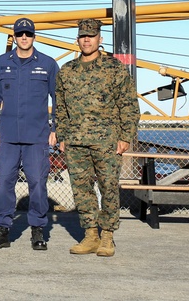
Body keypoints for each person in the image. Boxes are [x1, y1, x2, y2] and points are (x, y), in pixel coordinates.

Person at [56, 18, 139, 257]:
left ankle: (107, 237)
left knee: (108, 187)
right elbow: (60, 107)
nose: (86, 40)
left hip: (107, 140)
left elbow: (129, 104)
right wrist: (62, 135)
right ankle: (90, 234)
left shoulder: (114, 69)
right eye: (83, 36)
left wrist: (126, 136)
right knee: (81, 190)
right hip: (76, 141)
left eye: (91, 36)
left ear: (100, 39)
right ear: (77, 39)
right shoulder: (67, 71)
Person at [0, 17, 60, 251]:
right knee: (5, 181)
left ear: (34, 36)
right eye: (20, 34)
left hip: (37, 136)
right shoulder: (1, 63)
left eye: (28, 34)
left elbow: (59, 99)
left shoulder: (47, 64)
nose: (24, 38)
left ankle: (38, 229)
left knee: (37, 183)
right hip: (7, 136)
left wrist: (56, 129)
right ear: (14, 38)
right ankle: (2, 229)